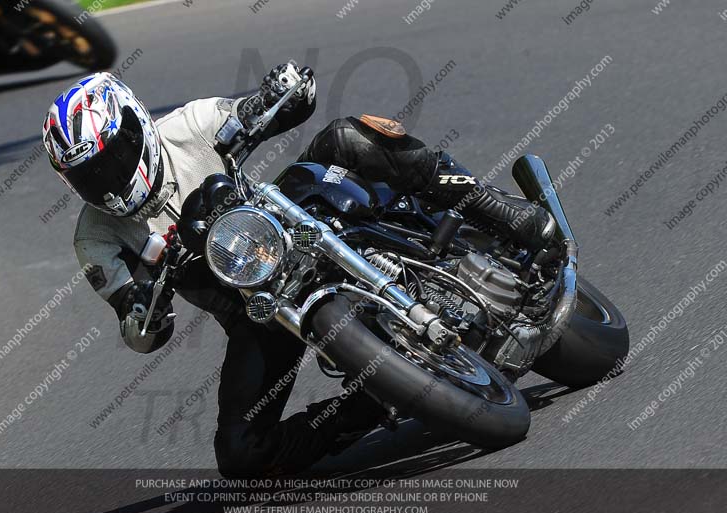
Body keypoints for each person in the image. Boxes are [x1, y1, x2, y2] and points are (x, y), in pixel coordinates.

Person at [41, 64, 554, 478]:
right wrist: (143, 307)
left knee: (346, 138)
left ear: (136, 126)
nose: (107, 180)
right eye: (89, 175)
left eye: (112, 159)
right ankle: (372, 404)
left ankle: (494, 210)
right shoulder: (96, 238)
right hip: (257, 313)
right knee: (241, 456)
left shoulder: (188, 125)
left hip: (293, 220)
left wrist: (277, 95)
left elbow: (249, 113)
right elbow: (137, 331)